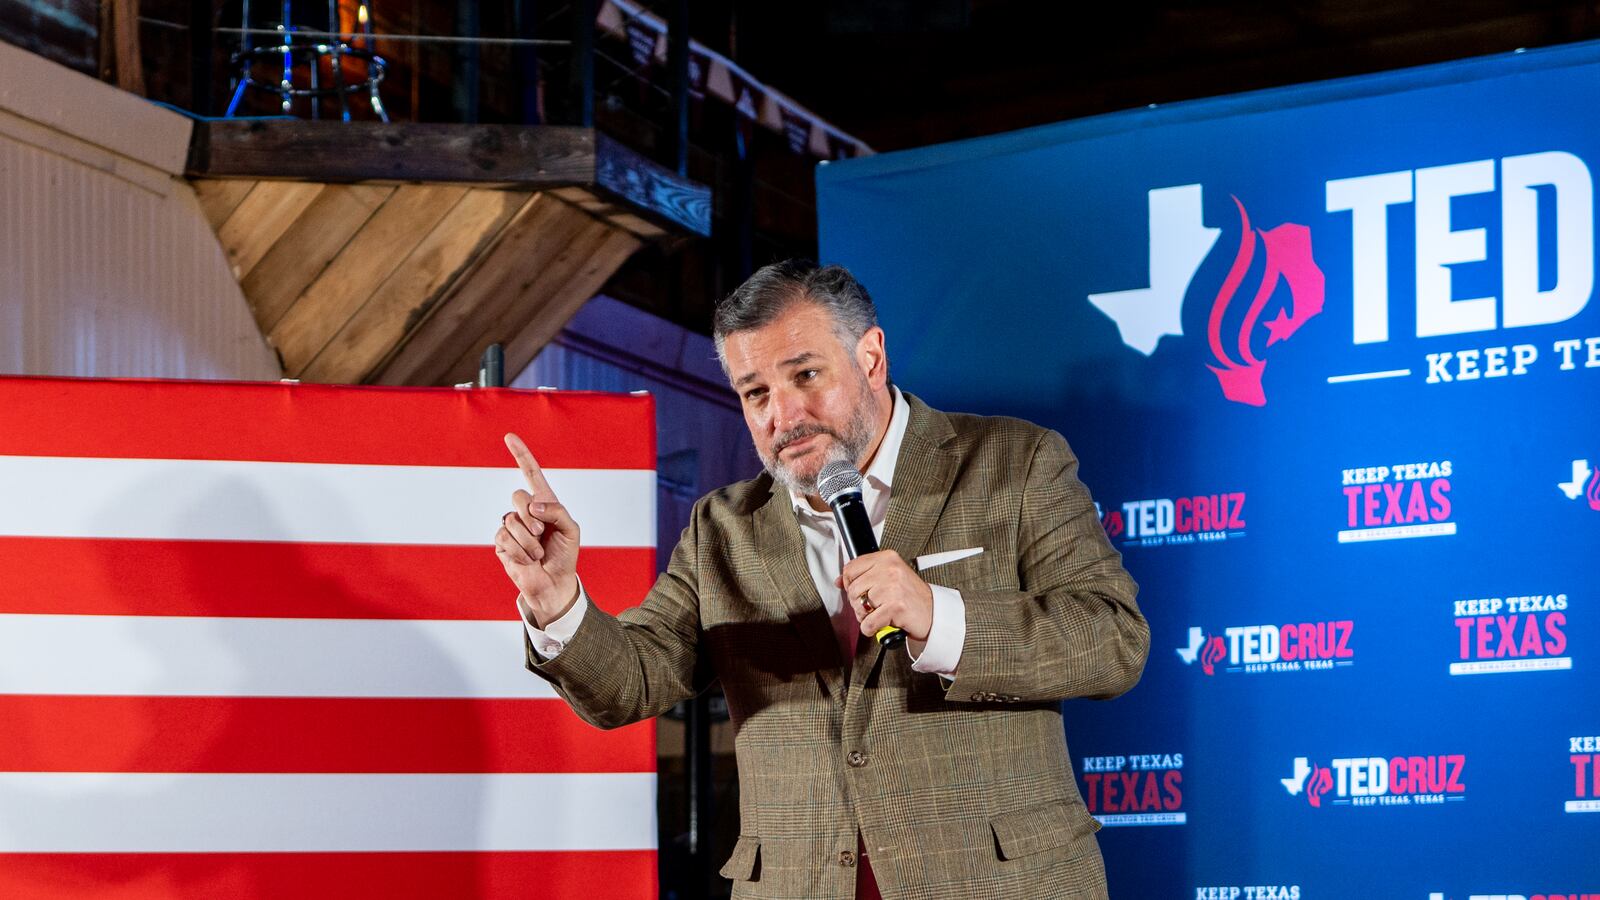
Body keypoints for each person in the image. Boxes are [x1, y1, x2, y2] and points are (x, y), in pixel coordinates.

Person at [494, 260, 1148, 900]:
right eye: (755, 393)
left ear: (870, 358)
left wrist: (940, 616)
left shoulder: (1013, 463)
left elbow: (1113, 641)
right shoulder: (722, 529)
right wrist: (557, 605)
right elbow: (630, 682)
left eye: (805, 375)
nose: (783, 414)